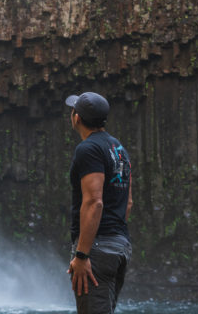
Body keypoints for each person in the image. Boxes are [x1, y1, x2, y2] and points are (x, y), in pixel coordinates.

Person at [65, 92, 133, 314]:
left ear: (77, 118)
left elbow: (94, 202)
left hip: (97, 249)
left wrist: (83, 255)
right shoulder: (119, 150)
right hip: (119, 245)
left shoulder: (88, 149)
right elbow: (128, 202)